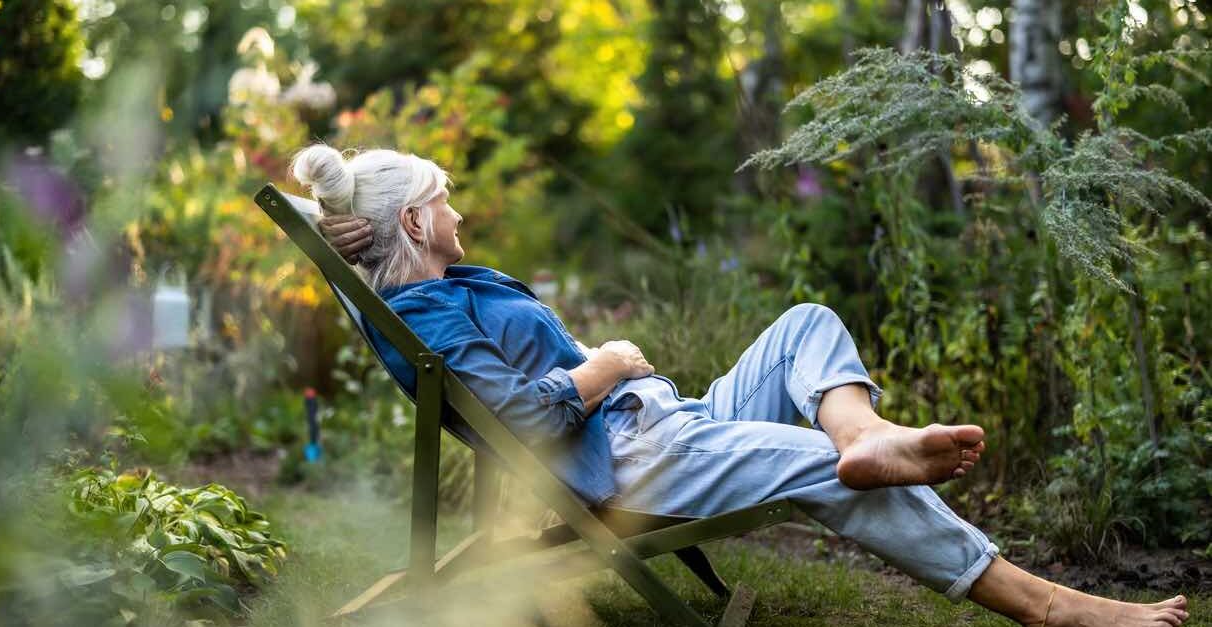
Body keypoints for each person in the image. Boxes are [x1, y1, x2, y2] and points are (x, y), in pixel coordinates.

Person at [291, 143, 1190, 627]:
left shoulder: (438, 288)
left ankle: (864, 436)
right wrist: (609, 363)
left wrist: (336, 218)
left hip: (663, 419)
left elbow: (317, 205)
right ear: (416, 221)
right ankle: (1051, 605)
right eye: (444, 199)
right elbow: (524, 415)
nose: (459, 209)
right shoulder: (433, 317)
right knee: (814, 464)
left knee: (805, 323)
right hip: (636, 456)